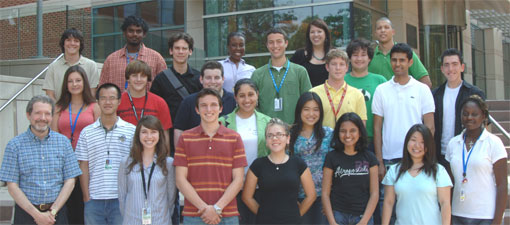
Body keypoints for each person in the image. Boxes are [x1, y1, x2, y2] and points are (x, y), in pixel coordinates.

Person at [0, 95, 82, 225]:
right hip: (26, 215)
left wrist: (52, 212)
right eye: (38, 113)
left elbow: (70, 180)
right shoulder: (14, 145)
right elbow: (12, 186)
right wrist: (36, 214)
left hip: (57, 214)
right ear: (28, 115)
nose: (43, 118)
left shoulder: (63, 143)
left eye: (47, 114)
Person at [174, 88, 247, 225]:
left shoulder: (234, 138)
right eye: (203, 105)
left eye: (213, 105)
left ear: (220, 108)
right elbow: (180, 180)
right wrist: (205, 209)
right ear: (197, 110)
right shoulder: (185, 138)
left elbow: (238, 180)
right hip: (195, 214)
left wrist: (217, 208)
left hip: (227, 214)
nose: (209, 109)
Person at [150, 32, 199, 225]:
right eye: (177, 48)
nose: (180, 52)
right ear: (171, 51)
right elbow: (154, 111)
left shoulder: (198, 77)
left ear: (190, 52)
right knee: (171, 188)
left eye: (184, 48)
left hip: (195, 139)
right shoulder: (161, 79)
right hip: (169, 140)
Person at [372, 43, 435, 180]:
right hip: (389, 158)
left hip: (416, 158)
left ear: (410, 62)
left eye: (402, 60)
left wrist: (425, 156)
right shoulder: (381, 90)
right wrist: (379, 161)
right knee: (389, 201)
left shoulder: (422, 89)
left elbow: (430, 126)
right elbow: (377, 128)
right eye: (394, 60)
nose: (397, 64)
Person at [75, 83, 136, 225]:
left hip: (121, 199)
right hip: (94, 200)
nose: (107, 102)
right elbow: (83, 165)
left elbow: (135, 164)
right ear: (97, 102)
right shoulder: (87, 132)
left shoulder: (131, 131)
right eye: (103, 98)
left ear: (119, 101)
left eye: (112, 98)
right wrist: (86, 196)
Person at [446, 95, 508, 225]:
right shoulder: (453, 144)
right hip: (457, 215)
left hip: (486, 216)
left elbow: (502, 185)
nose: (469, 118)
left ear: (484, 116)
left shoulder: (493, 143)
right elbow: (449, 184)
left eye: (474, 114)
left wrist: (497, 221)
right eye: (465, 114)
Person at [50, 65, 100, 225]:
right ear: (65, 84)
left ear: (84, 82)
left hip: (87, 164)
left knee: (84, 204)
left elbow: (99, 136)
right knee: (68, 208)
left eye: (78, 80)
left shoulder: (94, 106)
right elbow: (54, 136)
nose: (74, 84)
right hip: (64, 165)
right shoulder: (58, 108)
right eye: (70, 81)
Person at [242, 118, 316, 224]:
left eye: (279, 134)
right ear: (266, 141)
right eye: (270, 135)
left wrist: (296, 215)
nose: (274, 138)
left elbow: (311, 195)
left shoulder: (298, 164)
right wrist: (263, 215)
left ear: (288, 138)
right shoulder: (258, 165)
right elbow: (247, 197)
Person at [218, 78, 272, 224]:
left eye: (251, 94)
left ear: (257, 95)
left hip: (261, 186)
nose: (247, 99)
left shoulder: (268, 122)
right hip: (232, 187)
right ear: (235, 97)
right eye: (242, 95)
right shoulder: (222, 123)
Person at [382, 124, 452, 225]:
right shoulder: (394, 171)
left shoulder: (438, 171)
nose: (417, 145)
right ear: (407, 141)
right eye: (413, 140)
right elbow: (388, 203)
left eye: (422, 142)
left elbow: (445, 203)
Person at [118, 115, 176, 225]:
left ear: (159, 134)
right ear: (138, 135)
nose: (149, 136)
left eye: (153, 132)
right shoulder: (126, 162)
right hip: (132, 220)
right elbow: (122, 197)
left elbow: (171, 197)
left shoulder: (168, 163)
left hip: (160, 220)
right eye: (144, 132)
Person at [322, 112, 379, 225]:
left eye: (353, 130)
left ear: (360, 133)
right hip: (338, 216)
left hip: (363, 216)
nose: (347, 135)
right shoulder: (331, 157)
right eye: (343, 131)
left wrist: (364, 221)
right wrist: (332, 221)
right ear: (338, 133)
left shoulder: (370, 157)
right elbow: (325, 193)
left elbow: (375, 193)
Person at [433, 48, 485, 168]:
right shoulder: (435, 94)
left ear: (462, 67)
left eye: (454, 64)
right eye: (446, 65)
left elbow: (485, 124)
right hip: (441, 156)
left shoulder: (474, 93)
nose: (450, 69)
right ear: (442, 69)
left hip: (468, 154)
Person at [251, 28, 312, 125]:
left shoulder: (300, 72)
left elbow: (308, 102)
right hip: (267, 132)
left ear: (286, 43)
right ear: (267, 45)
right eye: (271, 42)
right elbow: (253, 105)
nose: (275, 46)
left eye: (279, 42)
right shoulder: (257, 74)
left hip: (295, 130)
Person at [289, 92, 333, 225]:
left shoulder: (329, 134)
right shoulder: (289, 135)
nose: (311, 114)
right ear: (299, 111)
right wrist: (290, 197)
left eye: (315, 110)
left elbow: (334, 166)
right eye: (306, 109)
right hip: (299, 196)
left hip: (324, 196)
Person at [173, 61, 236, 145]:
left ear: (223, 79)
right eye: (208, 78)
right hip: (195, 153)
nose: (213, 82)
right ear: (201, 79)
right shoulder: (188, 102)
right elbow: (179, 130)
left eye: (217, 77)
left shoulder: (233, 100)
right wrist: (179, 154)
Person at [99, 15, 167, 92]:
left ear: (144, 34)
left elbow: (164, 87)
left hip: (146, 103)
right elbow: (102, 88)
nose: (134, 34)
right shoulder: (111, 60)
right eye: (131, 31)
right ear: (124, 33)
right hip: (119, 103)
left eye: (138, 31)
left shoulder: (156, 58)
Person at [344, 39, 387, 150]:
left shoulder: (380, 81)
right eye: (355, 55)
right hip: (348, 139)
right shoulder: (342, 81)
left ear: (369, 58)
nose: (359, 59)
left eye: (363, 55)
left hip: (375, 139)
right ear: (349, 58)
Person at [117, 60, 172, 144]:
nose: (138, 79)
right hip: (123, 151)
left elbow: (165, 135)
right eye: (134, 76)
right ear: (128, 78)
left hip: (152, 152)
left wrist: (165, 156)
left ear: (148, 79)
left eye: (142, 76)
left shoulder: (160, 103)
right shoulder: (118, 102)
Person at [310, 48, 367, 129]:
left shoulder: (357, 95)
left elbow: (361, 126)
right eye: (333, 64)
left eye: (342, 64)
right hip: (321, 140)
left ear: (347, 68)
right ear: (327, 67)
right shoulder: (313, 93)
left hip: (347, 140)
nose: (338, 68)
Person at [368, 17, 432, 88]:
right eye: (379, 28)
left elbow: (426, 82)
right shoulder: (369, 56)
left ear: (393, 32)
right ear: (375, 33)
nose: (383, 30)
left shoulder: (405, 53)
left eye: (386, 27)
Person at [43, 28, 99, 101]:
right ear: (63, 43)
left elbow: (93, 93)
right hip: (60, 110)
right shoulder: (53, 67)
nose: (72, 43)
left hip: (84, 110)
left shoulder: (91, 65)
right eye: (68, 40)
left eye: (76, 41)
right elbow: (50, 94)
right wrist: (59, 111)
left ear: (80, 44)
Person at [290, 19, 331, 87]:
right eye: (312, 32)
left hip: (329, 97)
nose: (316, 35)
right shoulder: (299, 55)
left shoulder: (334, 54)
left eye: (319, 31)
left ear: (326, 34)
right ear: (308, 35)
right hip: (306, 96)